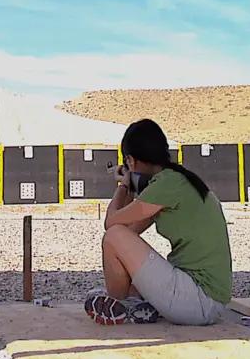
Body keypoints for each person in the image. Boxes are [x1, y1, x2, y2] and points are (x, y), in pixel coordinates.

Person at [84, 119, 233, 326]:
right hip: (203, 300)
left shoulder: (166, 185)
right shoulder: (175, 181)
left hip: (200, 301)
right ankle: (135, 303)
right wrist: (132, 190)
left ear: (131, 160)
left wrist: (124, 186)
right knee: (128, 266)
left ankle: (120, 303)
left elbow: (112, 224)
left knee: (112, 236)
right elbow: (128, 233)